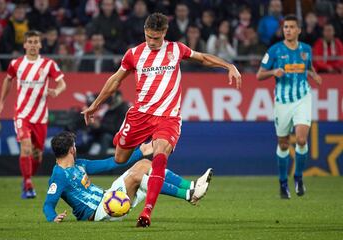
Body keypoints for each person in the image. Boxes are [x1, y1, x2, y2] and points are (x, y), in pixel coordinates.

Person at [82, 12, 241, 227]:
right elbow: (115, 80)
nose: (152, 42)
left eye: (156, 38)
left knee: (160, 158)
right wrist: (95, 105)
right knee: (120, 157)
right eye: (148, 37)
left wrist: (228, 65)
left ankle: (146, 213)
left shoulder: (176, 49)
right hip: (140, 115)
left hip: (168, 117)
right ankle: (144, 150)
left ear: (164, 33)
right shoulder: (134, 54)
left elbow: (202, 58)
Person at [43, 131, 213, 223]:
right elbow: (48, 204)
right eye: (74, 146)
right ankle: (189, 195)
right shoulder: (59, 176)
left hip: (108, 198)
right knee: (137, 175)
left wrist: (140, 152)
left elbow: (112, 163)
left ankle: (191, 186)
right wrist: (52, 217)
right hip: (98, 213)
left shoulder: (79, 164)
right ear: (72, 149)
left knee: (145, 164)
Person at [0, 30, 67, 199]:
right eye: (30, 42)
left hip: (40, 116)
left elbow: (62, 83)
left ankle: (28, 178)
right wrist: (2, 102)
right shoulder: (16, 63)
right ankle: (27, 184)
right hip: (22, 114)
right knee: (25, 147)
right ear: (25, 44)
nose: (33, 45)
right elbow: (7, 79)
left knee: (37, 154)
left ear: (40, 44)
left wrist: (56, 90)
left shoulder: (48, 64)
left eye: (36, 42)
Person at [256, 15, 322, 199]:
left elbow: (307, 67)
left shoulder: (306, 50)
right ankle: (283, 182)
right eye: (286, 27)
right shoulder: (275, 50)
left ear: (299, 30)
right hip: (282, 102)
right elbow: (259, 75)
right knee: (283, 144)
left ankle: (299, 177)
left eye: (292, 27)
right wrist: (272, 72)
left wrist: (314, 75)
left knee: (301, 139)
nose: (288, 30)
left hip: (302, 98)